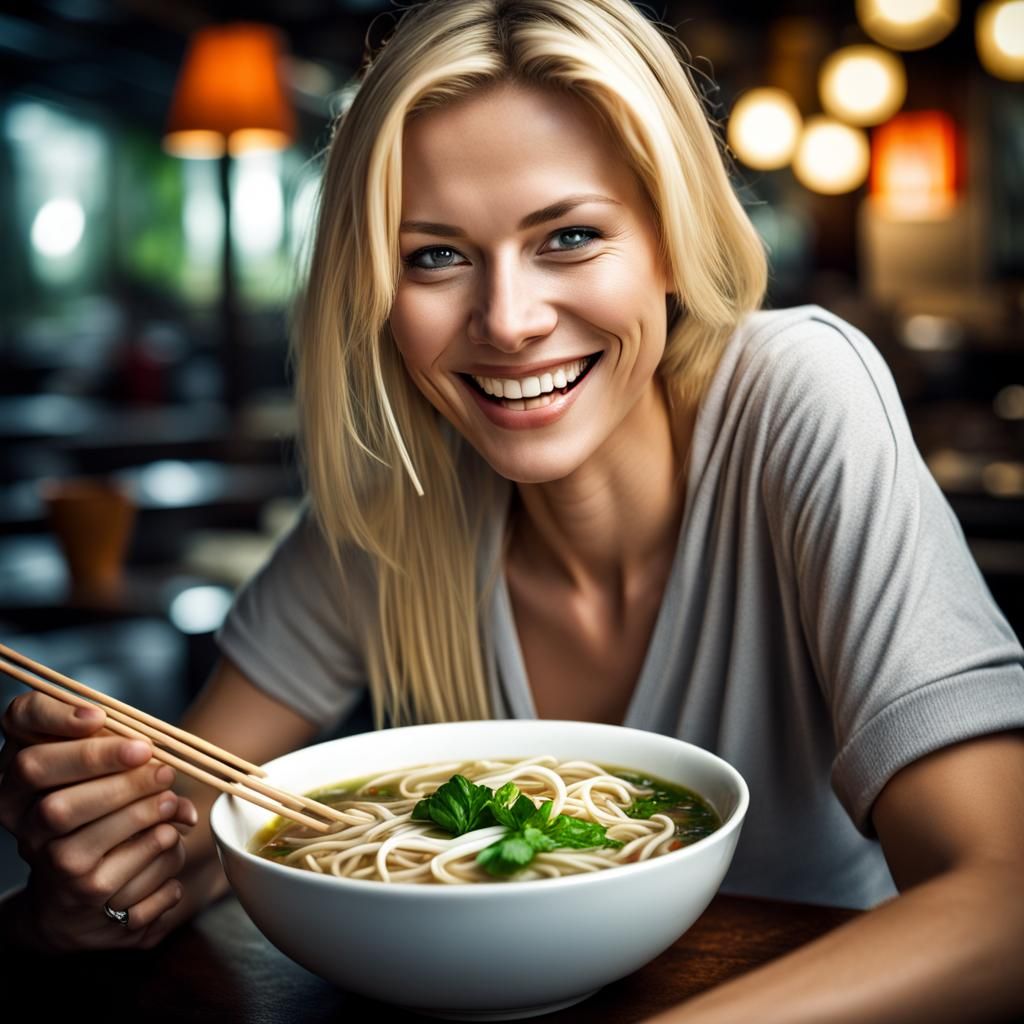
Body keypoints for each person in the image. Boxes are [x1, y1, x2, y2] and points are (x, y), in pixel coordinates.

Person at [2, 0, 1022, 1018]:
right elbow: (203, 841)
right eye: (433, 255)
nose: (508, 321)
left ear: (671, 240)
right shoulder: (395, 508)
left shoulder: (796, 395)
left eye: (570, 236)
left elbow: (998, 903)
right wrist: (91, 887)